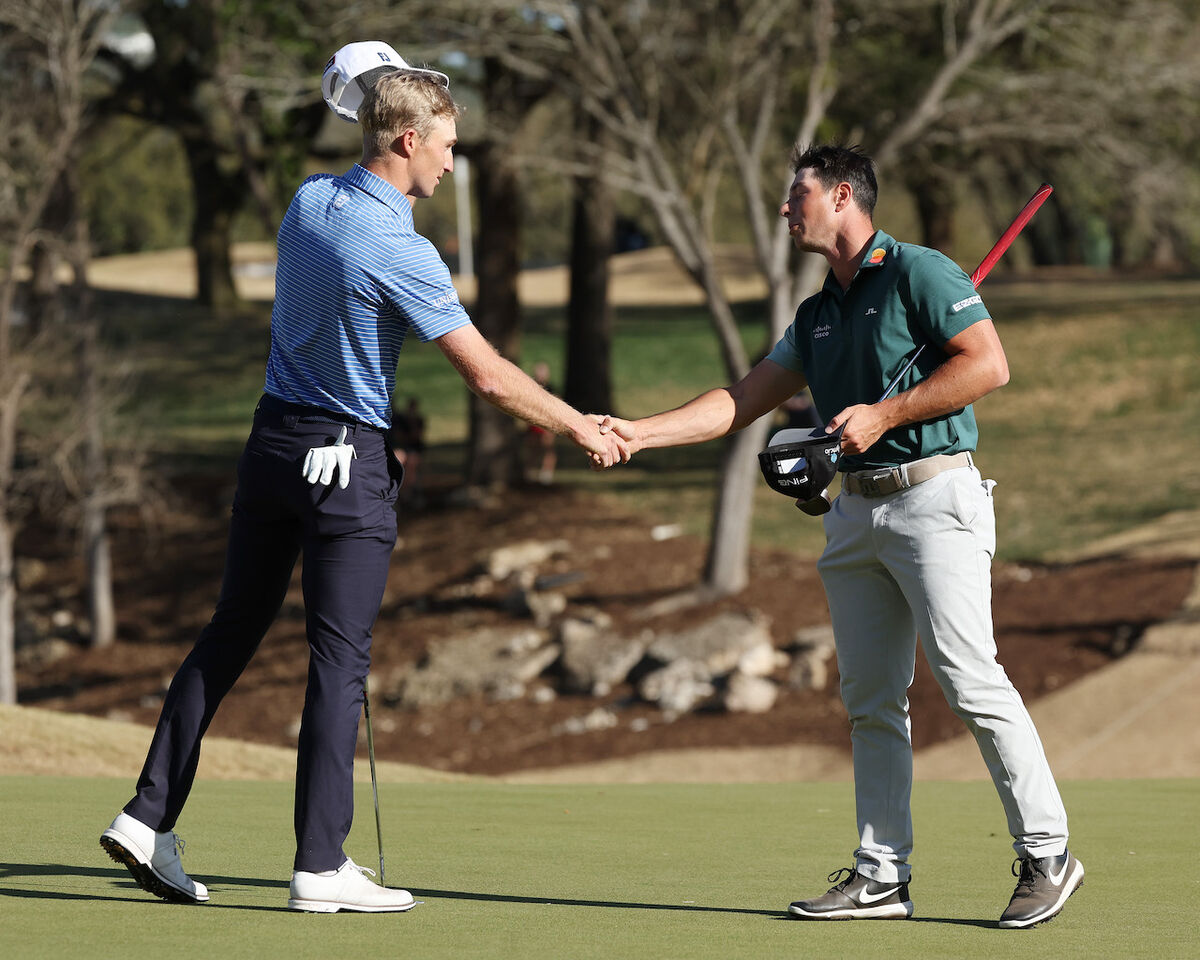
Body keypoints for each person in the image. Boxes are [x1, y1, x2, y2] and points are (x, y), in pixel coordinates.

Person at [99, 41, 626, 914]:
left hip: (271, 445)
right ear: (408, 139)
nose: (455, 161)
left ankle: (148, 814)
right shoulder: (398, 248)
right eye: (446, 144)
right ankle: (319, 864)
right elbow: (488, 376)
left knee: (229, 632)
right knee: (338, 659)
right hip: (345, 460)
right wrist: (579, 424)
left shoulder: (308, 201)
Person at [599, 144, 1082, 928]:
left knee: (969, 680)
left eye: (799, 196)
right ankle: (883, 874)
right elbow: (742, 396)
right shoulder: (818, 312)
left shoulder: (922, 272)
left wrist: (885, 413)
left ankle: (1048, 856)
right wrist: (640, 435)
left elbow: (989, 365)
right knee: (869, 701)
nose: (788, 210)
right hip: (854, 515)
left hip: (934, 499)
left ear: (844, 196)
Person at [524, 362, 558, 484]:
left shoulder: (551, 389)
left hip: (547, 423)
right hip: (533, 423)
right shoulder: (530, 388)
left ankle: (546, 474)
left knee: (547, 448)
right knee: (532, 448)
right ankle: (529, 472)